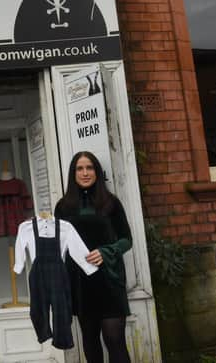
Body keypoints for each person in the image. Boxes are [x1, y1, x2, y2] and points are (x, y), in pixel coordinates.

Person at [54, 151, 132, 363]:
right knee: (90, 341)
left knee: (114, 340)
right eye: (80, 168)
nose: (85, 173)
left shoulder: (111, 203)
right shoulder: (63, 207)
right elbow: (58, 247)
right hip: (80, 285)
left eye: (90, 168)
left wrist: (106, 252)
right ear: (73, 173)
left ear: (97, 172)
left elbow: (126, 240)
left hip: (110, 281)